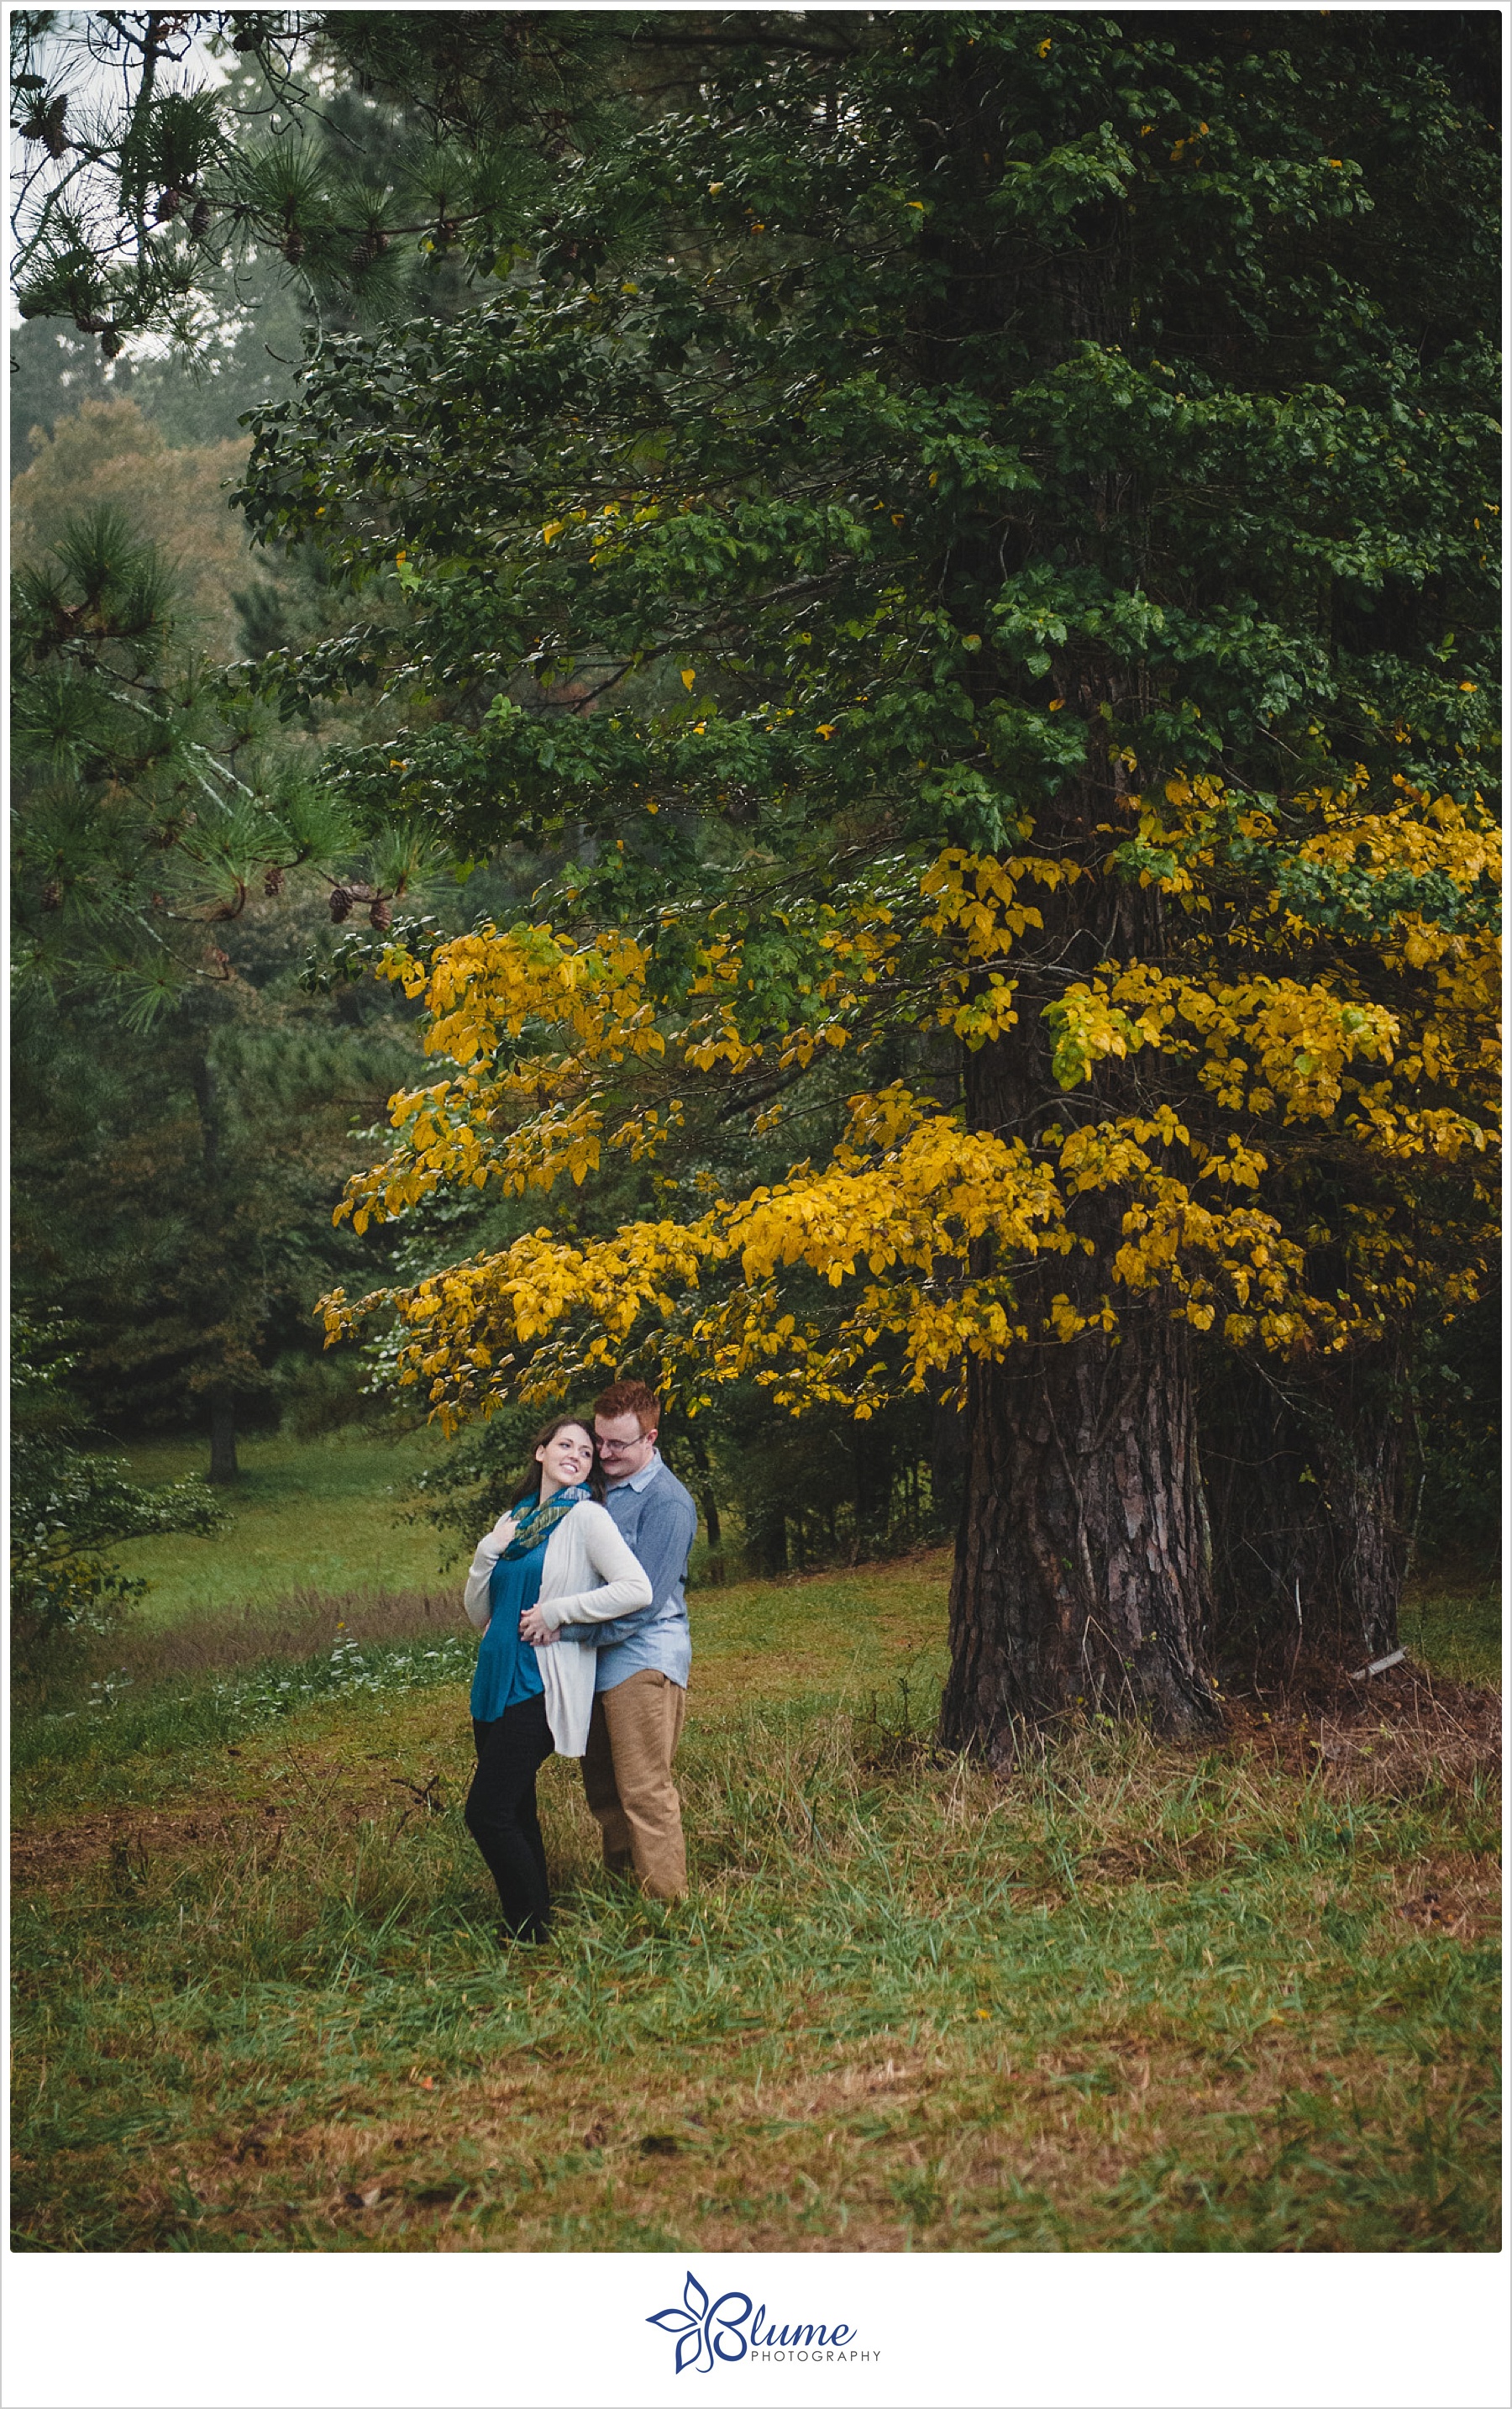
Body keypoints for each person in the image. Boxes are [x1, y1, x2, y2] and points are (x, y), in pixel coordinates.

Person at [461, 1415, 651, 1942]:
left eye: (587, 1452)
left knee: (487, 1812)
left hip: (541, 1683)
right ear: (541, 1452)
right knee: (517, 1808)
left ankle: (530, 1928)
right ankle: (529, 1922)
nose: (577, 1455)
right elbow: (480, 1612)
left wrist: (559, 1612)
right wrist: (486, 1553)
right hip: (495, 1679)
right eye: (566, 1445)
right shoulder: (515, 1520)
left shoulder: (586, 1517)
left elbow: (636, 1588)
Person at [530, 1379, 696, 1902]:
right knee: (604, 1791)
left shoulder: (668, 1503)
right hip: (592, 1661)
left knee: (644, 1790)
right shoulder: (598, 1484)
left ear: (650, 1439)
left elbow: (643, 1605)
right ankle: (625, 1896)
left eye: (617, 1445)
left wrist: (566, 1629)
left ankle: (668, 1908)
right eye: (599, 1441)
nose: (604, 1454)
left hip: (643, 1658)